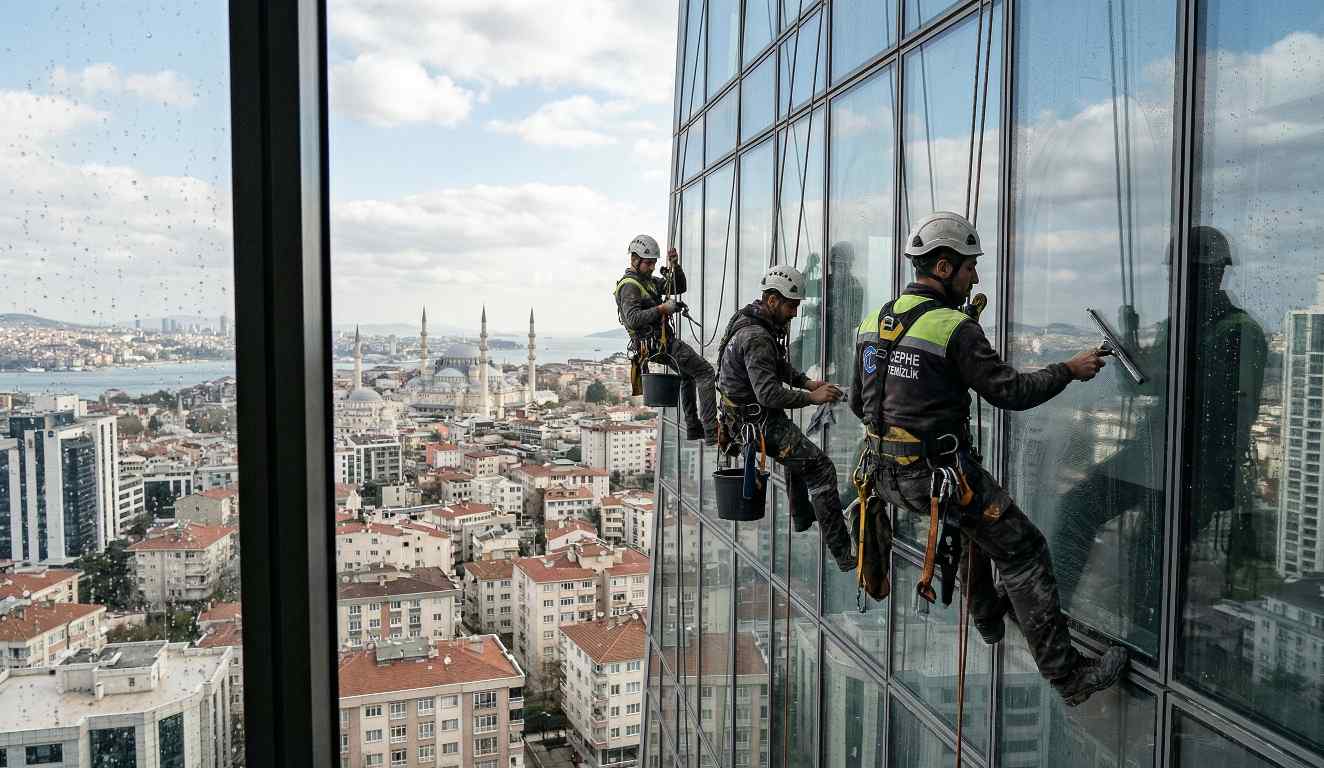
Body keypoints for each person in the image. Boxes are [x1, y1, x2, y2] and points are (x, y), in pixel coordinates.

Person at [852, 210, 1127, 706]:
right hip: (936, 477)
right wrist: (1069, 368)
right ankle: (1069, 678)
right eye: (968, 267)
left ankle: (987, 616)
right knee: (1024, 548)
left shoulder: (875, 321)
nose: (976, 276)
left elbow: (859, 402)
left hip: (885, 473)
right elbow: (1011, 391)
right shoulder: (954, 329)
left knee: (980, 524)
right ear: (942, 266)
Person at [1052, 225, 1267, 623]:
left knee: (1153, 552)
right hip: (1156, 451)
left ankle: (1145, 638)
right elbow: (1141, 388)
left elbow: (1219, 403)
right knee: (1079, 508)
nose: (1176, 283)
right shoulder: (1178, 325)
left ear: (1214, 275)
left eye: (1183, 273)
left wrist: (1152, 366)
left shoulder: (1238, 331)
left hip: (1199, 463)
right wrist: (1130, 351)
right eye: (1175, 275)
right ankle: (1055, 610)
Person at [716, 265, 856, 572]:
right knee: (821, 469)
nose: (794, 313)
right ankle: (845, 554)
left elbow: (776, 365)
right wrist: (811, 397)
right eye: (791, 305)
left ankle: (802, 515)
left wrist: (806, 382)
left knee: (799, 457)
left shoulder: (749, 320)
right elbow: (768, 394)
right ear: (772, 300)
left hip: (744, 417)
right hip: (756, 421)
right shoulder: (756, 336)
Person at [614, 234, 718, 443]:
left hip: (656, 343)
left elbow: (678, 286)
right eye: (648, 263)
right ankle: (712, 431)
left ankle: (694, 427)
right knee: (705, 372)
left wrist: (675, 265)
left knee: (688, 374)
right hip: (658, 343)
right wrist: (662, 308)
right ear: (635, 259)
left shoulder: (648, 281)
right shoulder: (630, 286)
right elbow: (633, 319)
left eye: (654, 263)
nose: (652, 267)